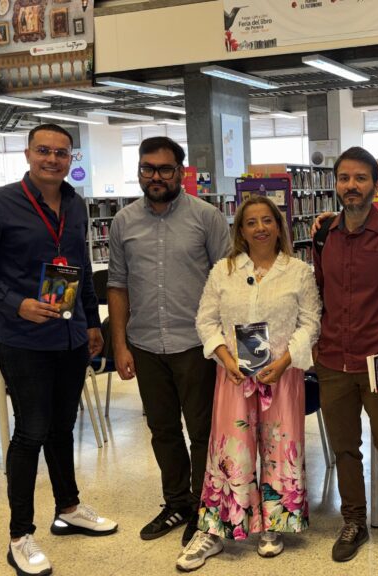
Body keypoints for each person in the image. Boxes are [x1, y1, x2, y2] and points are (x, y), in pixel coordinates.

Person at [0, 123, 118, 576]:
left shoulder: (76, 204)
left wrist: (91, 322)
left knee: (63, 427)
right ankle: (19, 536)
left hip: (70, 336)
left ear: (71, 159)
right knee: (31, 432)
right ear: (27, 154)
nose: (52, 159)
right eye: (43, 150)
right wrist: (14, 302)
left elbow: (80, 267)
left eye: (61, 153)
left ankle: (68, 508)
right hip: (23, 338)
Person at [176, 196, 321, 572]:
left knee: (281, 449)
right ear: (240, 230)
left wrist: (284, 362)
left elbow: (311, 323)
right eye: (251, 222)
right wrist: (225, 359)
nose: (260, 228)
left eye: (267, 220)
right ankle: (217, 529)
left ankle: (274, 524)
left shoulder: (298, 271)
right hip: (233, 376)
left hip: (283, 377)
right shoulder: (223, 271)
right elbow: (205, 320)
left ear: (279, 226)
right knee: (230, 451)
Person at [106, 136, 230, 546]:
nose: (155, 176)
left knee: (202, 432)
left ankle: (203, 507)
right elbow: (117, 285)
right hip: (145, 344)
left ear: (180, 172)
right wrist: (120, 345)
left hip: (197, 344)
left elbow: (227, 281)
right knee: (162, 430)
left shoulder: (207, 217)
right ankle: (176, 502)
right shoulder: (123, 221)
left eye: (164, 168)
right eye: (148, 168)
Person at [314, 146, 378, 567]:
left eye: (360, 178)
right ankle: (353, 521)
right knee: (345, 449)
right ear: (335, 184)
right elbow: (318, 293)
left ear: (375, 184)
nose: (351, 185)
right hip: (332, 362)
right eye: (344, 178)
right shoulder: (323, 234)